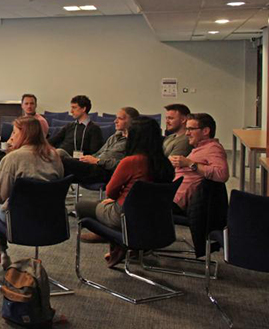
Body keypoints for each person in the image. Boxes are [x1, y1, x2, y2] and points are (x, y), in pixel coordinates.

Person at [76, 117, 175, 265]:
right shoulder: (164, 163)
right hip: (154, 218)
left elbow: (110, 192)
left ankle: (119, 242)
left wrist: (114, 199)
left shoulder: (131, 161)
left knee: (81, 207)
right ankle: (133, 245)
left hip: (125, 215)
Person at [0, 115, 64, 268]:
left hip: (18, 221)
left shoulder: (13, 158)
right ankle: (2, 251)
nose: (12, 136)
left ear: (24, 135)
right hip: (51, 220)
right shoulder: (54, 155)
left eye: (14, 133)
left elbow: (0, 195)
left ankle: (1, 251)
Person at [0, 94, 47, 186]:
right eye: (26, 103)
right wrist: (8, 146)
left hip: (27, 151)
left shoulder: (39, 122)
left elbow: (35, 141)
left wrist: (13, 149)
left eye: (32, 103)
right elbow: (13, 138)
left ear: (36, 105)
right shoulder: (21, 120)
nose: (29, 106)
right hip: (14, 147)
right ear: (22, 105)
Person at [61, 107, 139, 185]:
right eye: (116, 118)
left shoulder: (133, 142)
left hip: (105, 171)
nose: (115, 121)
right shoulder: (114, 137)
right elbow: (99, 153)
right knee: (59, 156)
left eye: (120, 119)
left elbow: (123, 165)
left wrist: (97, 161)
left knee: (62, 163)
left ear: (131, 121)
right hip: (94, 166)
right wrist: (86, 159)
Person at [169, 113, 229, 212]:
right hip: (172, 194)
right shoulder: (201, 147)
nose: (187, 133)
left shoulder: (213, 148)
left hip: (176, 201)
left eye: (191, 129)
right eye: (187, 129)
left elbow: (222, 175)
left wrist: (190, 164)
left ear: (205, 131)